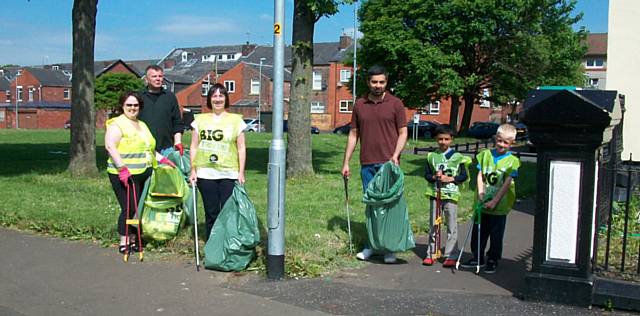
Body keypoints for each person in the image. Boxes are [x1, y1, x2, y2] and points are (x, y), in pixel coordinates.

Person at [341, 65, 408, 264]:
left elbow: (403, 132)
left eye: (381, 82)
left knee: (389, 207)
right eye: (374, 82)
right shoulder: (359, 105)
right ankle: (372, 245)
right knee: (371, 207)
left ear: (386, 82)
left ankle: (389, 248)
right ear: (368, 82)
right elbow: (354, 134)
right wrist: (346, 162)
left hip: (389, 164)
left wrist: (396, 155)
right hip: (367, 164)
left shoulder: (396, 104)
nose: (378, 86)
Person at [105, 92, 175, 254]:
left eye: (135, 105)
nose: (132, 108)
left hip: (143, 172)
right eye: (129, 105)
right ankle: (124, 240)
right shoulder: (117, 124)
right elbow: (110, 147)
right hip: (124, 174)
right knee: (128, 208)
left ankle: (136, 238)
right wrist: (122, 169)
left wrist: (163, 160)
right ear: (122, 106)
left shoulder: (142, 125)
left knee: (139, 208)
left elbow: (148, 149)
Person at [188, 83, 247, 240]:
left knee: (228, 211)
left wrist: (241, 172)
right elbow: (194, 146)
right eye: (214, 96)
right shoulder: (199, 121)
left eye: (221, 95)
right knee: (211, 211)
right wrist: (193, 170)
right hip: (206, 173)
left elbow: (241, 148)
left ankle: (228, 244)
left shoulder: (236, 121)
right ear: (209, 99)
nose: (218, 99)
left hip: (229, 172)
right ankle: (212, 245)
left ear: (226, 99)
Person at [461, 123, 521, 274]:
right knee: (478, 232)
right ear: (495, 138)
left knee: (496, 235)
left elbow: (507, 183)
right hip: (482, 202)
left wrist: (495, 201)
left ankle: (493, 259)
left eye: (505, 142)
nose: (501, 144)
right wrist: (480, 193)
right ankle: (478, 256)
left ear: (511, 143)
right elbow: (480, 175)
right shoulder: (485, 155)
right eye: (499, 140)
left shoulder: (512, 161)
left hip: (499, 204)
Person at [422, 124, 470, 267]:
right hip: (435, 194)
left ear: (452, 139)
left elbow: (464, 176)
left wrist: (451, 179)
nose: (443, 142)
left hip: (451, 195)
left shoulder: (458, 157)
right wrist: (434, 177)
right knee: (433, 224)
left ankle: (451, 255)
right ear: (436, 139)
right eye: (440, 139)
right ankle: (431, 253)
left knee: (451, 225)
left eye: (446, 139)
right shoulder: (432, 156)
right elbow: (426, 174)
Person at [138, 65, 185, 155]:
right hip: (144, 148)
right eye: (154, 76)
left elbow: (177, 122)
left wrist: (178, 141)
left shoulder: (170, 97)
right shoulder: (139, 97)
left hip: (167, 148)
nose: (158, 79)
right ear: (146, 79)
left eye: (160, 76)